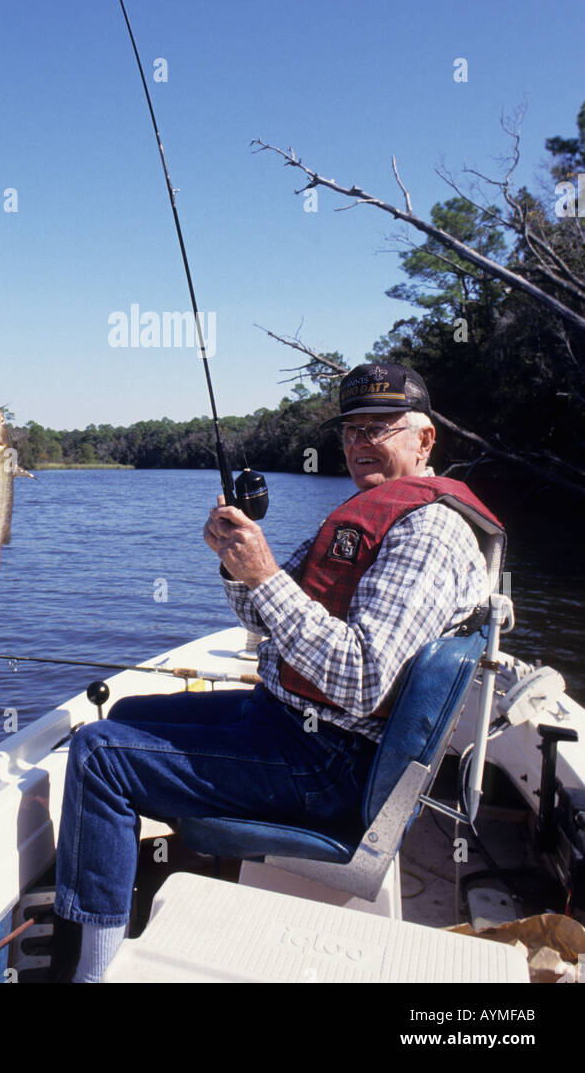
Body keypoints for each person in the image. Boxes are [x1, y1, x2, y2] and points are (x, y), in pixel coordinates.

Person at [52, 363, 505, 982]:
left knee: (100, 754)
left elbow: (362, 678)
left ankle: (90, 970)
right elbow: (266, 615)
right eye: (351, 432)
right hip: (283, 717)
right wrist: (235, 558)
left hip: (330, 761)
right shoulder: (368, 512)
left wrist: (262, 574)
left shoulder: (428, 533)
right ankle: (130, 891)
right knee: (126, 715)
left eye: (379, 428)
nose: (359, 444)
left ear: (424, 440)